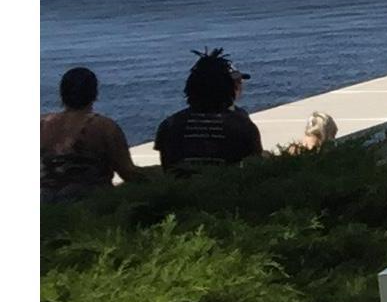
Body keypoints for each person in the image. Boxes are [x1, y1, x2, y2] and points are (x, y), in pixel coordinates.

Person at [152, 50, 265, 170]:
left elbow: (167, 168)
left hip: (180, 188)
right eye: (236, 83)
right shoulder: (242, 126)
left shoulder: (169, 125)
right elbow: (255, 167)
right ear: (228, 89)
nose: (240, 87)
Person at [41, 67, 136, 200]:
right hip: (92, 204)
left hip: (45, 203)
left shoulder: (42, 124)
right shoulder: (104, 127)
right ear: (94, 94)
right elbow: (127, 172)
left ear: (62, 94)